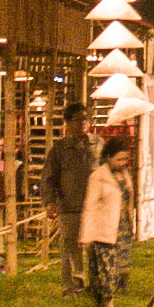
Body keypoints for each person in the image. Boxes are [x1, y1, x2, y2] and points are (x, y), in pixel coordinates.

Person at [78, 125, 136, 307]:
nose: (123, 162)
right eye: (119, 159)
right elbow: (90, 206)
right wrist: (86, 235)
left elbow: (129, 199)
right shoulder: (98, 177)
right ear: (109, 157)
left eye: (125, 159)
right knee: (106, 267)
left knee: (119, 267)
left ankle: (102, 297)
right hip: (104, 228)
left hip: (123, 227)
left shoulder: (125, 175)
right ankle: (108, 303)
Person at [46, 115, 97, 293]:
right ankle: (70, 285)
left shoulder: (98, 144)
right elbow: (49, 177)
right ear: (68, 124)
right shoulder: (60, 148)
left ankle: (94, 283)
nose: (82, 123)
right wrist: (50, 201)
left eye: (84, 119)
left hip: (94, 207)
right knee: (69, 246)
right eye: (76, 119)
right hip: (69, 205)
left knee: (95, 247)